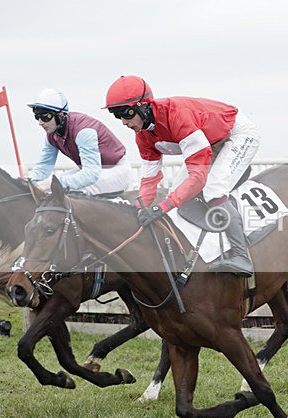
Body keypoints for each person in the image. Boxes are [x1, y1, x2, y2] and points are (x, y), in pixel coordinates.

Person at [104, 75, 259, 277]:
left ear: (144, 106)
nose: (124, 122)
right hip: (210, 142)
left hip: (236, 134)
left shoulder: (177, 116)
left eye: (127, 114)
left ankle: (242, 255)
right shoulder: (142, 135)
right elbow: (150, 179)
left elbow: (198, 178)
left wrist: (164, 206)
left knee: (213, 189)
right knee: (179, 197)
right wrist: (141, 207)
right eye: (118, 116)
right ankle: (218, 238)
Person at [27, 88, 132, 195]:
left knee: (64, 190)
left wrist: (51, 184)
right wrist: (27, 183)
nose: (40, 122)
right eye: (37, 117)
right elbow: (44, 167)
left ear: (61, 115)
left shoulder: (84, 132)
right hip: (96, 171)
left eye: (45, 117)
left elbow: (91, 174)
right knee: (53, 188)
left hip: (117, 171)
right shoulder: (51, 135)